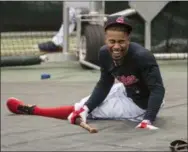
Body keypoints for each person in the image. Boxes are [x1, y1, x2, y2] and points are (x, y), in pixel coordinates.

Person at [6, 15, 165, 130]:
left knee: (88, 111)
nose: (116, 46)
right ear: (105, 39)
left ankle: (34, 110)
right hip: (125, 90)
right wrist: (86, 108)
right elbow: (105, 83)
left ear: (128, 39)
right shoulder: (104, 53)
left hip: (140, 105)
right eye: (112, 41)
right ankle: (34, 109)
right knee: (82, 108)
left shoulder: (142, 56)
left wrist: (148, 119)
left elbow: (158, 89)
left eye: (121, 41)